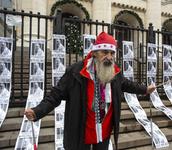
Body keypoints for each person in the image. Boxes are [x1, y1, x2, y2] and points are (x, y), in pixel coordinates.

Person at [24, 31, 156, 150]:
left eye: (112, 53)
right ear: (94, 53)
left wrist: (145, 89)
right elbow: (56, 94)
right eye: (104, 52)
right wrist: (38, 111)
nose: (109, 57)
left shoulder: (115, 71)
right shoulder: (76, 71)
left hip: (104, 129)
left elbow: (126, 84)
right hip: (82, 129)